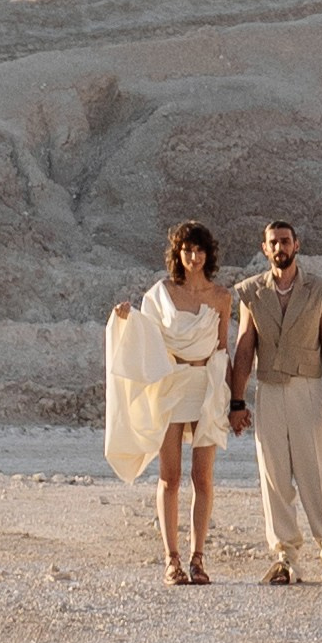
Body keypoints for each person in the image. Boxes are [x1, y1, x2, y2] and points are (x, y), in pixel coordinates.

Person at [228, 217, 322, 585]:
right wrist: (237, 402)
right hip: (269, 390)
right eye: (273, 242)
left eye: (285, 241)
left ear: (297, 245)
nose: (280, 248)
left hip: (307, 389)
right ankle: (284, 558)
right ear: (264, 248)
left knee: (316, 473)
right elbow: (243, 350)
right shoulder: (251, 292)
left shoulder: (320, 291)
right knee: (274, 476)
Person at [102, 220, 234, 583]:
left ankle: (198, 559)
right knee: (170, 476)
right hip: (173, 384)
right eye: (187, 250)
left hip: (206, 385)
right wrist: (125, 319)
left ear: (208, 254)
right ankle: (171, 559)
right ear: (178, 254)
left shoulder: (222, 297)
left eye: (199, 250)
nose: (193, 256)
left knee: (202, 477)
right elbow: (146, 335)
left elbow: (223, 347)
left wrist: (234, 399)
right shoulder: (162, 292)